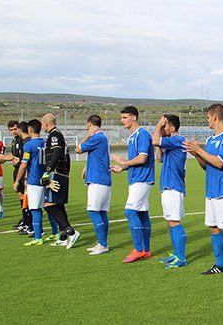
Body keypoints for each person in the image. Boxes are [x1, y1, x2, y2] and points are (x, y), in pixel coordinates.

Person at [184, 103, 223, 279]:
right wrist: (196, 155)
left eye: (208, 117)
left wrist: (199, 150)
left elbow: (219, 162)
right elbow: (207, 166)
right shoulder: (211, 140)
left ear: (215, 117)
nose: (207, 120)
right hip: (211, 191)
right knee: (213, 227)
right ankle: (220, 264)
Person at [111, 106, 155, 263]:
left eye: (124, 117)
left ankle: (138, 249)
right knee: (142, 213)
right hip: (136, 178)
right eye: (121, 117)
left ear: (134, 118)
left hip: (142, 178)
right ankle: (146, 250)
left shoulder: (142, 134)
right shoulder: (132, 137)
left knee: (130, 211)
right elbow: (135, 161)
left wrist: (124, 162)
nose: (121, 120)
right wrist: (122, 167)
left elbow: (142, 158)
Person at [152, 114, 188, 268]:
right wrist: (159, 136)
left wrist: (157, 127)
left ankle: (181, 257)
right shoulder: (170, 143)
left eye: (165, 125)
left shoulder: (177, 139)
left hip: (173, 187)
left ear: (172, 128)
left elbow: (154, 140)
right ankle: (176, 253)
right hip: (168, 186)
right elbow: (159, 158)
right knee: (170, 221)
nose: (162, 128)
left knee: (174, 221)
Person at [41, 113, 80, 249]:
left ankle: (71, 231)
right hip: (61, 173)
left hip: (57, 173)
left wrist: (48, 171)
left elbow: (57, 153)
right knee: (58, 205)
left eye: (43, 124)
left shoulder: (54, 135)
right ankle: (64, 236)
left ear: (46, 124)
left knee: (48, 205)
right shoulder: (58, 135)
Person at [76, 114, 112, 255]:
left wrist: (87, 135)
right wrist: (87, 166)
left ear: (89, 124)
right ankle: (102, 243)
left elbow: (78, 149)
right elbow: (98, 156)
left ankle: (102, 244)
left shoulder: (97, 137)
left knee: (93, 211)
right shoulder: (102, 138)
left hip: (98, 180)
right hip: (102, 179)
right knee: (101, 212)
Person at [13, 120, 47, 246]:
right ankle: (56, 232)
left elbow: (23, 165)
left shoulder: (29, 145)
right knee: (48, 207)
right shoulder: (46, 142)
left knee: (34, 208)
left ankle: (38, 236)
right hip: (46, 179)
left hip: (34, 180)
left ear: (30, 130)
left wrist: (18, 181)